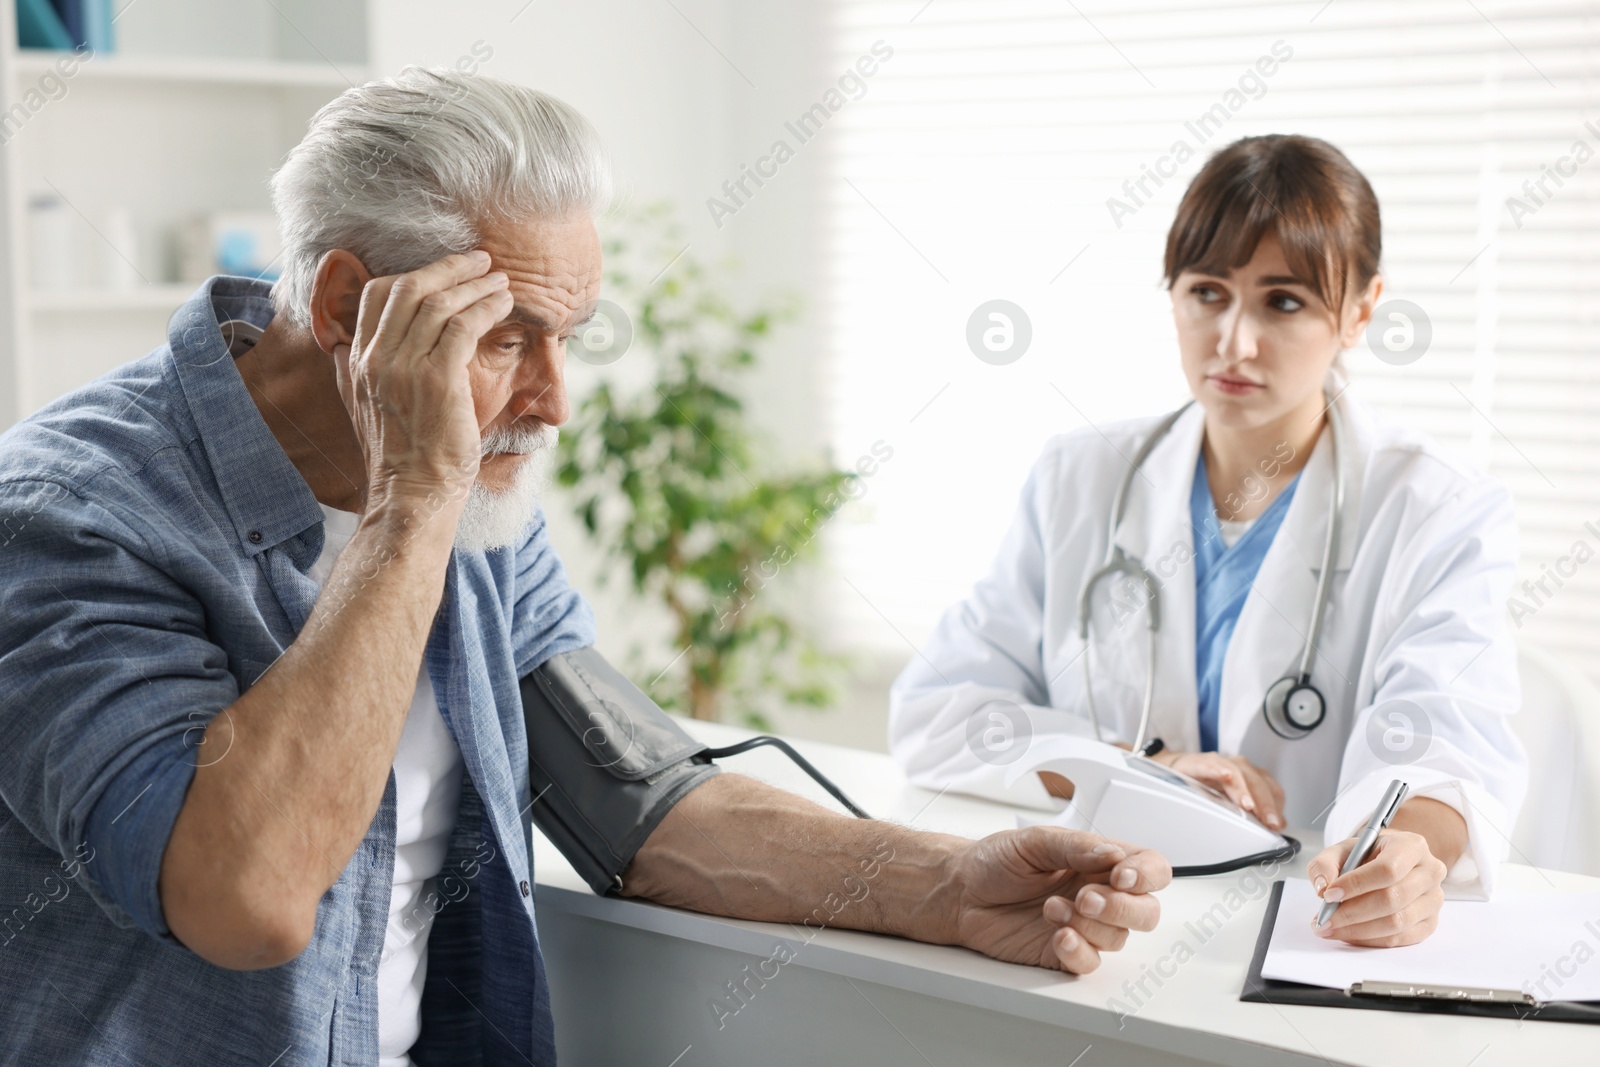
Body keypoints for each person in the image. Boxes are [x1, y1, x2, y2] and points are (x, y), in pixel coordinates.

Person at [0, 70, 1171, 1066]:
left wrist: (953, 881)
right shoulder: (69, 515)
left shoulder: (478, 506)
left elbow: (639, 799)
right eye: (505, 336)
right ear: (351, 305)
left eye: (570, 338)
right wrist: (412, 501)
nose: (552, 402)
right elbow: (245, 898)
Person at [890, 134, 1527, 949]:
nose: (1234, 342)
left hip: (1300, 931)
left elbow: (1448, 743)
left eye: (1283, 301)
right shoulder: (1079, 478)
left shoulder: (1436, 507)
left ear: (1363, 309)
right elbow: (938, 713)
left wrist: (1408, 854)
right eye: (1208, 292)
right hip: (1102, 913)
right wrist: (1137, 766)